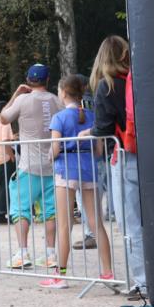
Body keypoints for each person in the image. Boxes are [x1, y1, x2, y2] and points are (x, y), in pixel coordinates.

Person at [40, 75, 114, 289]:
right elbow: (99, 150)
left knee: (65, 224)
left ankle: (60, 275)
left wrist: (49, 155)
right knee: (96, 222)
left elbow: (55, 150)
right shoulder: (92, 116)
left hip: (65, 171)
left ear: (63, 92)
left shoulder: (59, 118)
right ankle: (108, 272)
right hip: (89, 170)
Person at [88, 35, 146, 298]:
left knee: (130, 222)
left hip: (123, 156)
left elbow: (102, 129)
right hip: (150, 156)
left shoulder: (107, 86)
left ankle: (143, 282)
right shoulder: (138, 80)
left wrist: (87, 133)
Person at [0, 64, 63, 269]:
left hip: (28, 164)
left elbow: (3, 118)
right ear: (47, 80)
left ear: (28, 79)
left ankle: (23, 252)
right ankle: (51, 253)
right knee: (50, 211)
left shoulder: (22, 99)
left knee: (20, 208)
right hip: (52, 164)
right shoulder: (56, 100)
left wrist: (15, 94)